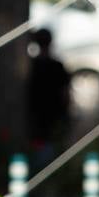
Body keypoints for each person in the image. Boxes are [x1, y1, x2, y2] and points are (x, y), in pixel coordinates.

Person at [27, 27, 71, 165]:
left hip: (36, 117)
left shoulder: (32, 66)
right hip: (53, 117)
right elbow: (66, 94)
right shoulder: (57, 66)